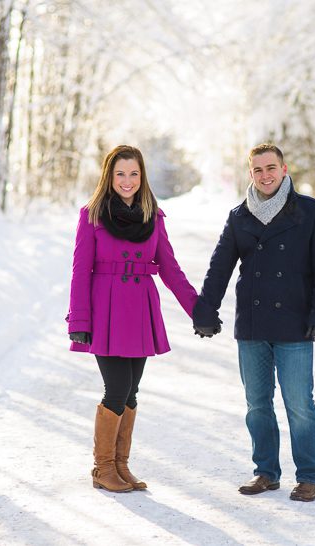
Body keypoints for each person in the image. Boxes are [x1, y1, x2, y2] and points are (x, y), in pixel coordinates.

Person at [193, 143, 315, 502]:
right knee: (257, 403)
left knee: (299, 404)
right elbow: (219, 269)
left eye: (271, 168)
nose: (265, 175)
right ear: (250, 174)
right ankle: (266, 472)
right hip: (253, 325)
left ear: (284, 169)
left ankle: (307, 475)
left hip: (296, 325)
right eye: (257, 170)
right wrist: (205, 311)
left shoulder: (311, 212)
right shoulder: (239, 216)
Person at [66, 145, 198, 493]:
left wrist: (197, 309)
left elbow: (170, 268)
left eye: (134, 174)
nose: (127, 181)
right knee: (117, 387)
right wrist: (78, 321)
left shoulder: (153, 216)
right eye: (120, 173)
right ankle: (102, 468)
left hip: (140, 307)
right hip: (105, 309)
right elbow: (80, 272)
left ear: (143, 177)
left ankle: (121, 466)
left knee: (132, 391)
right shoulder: (92, 215)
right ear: (110, 176)